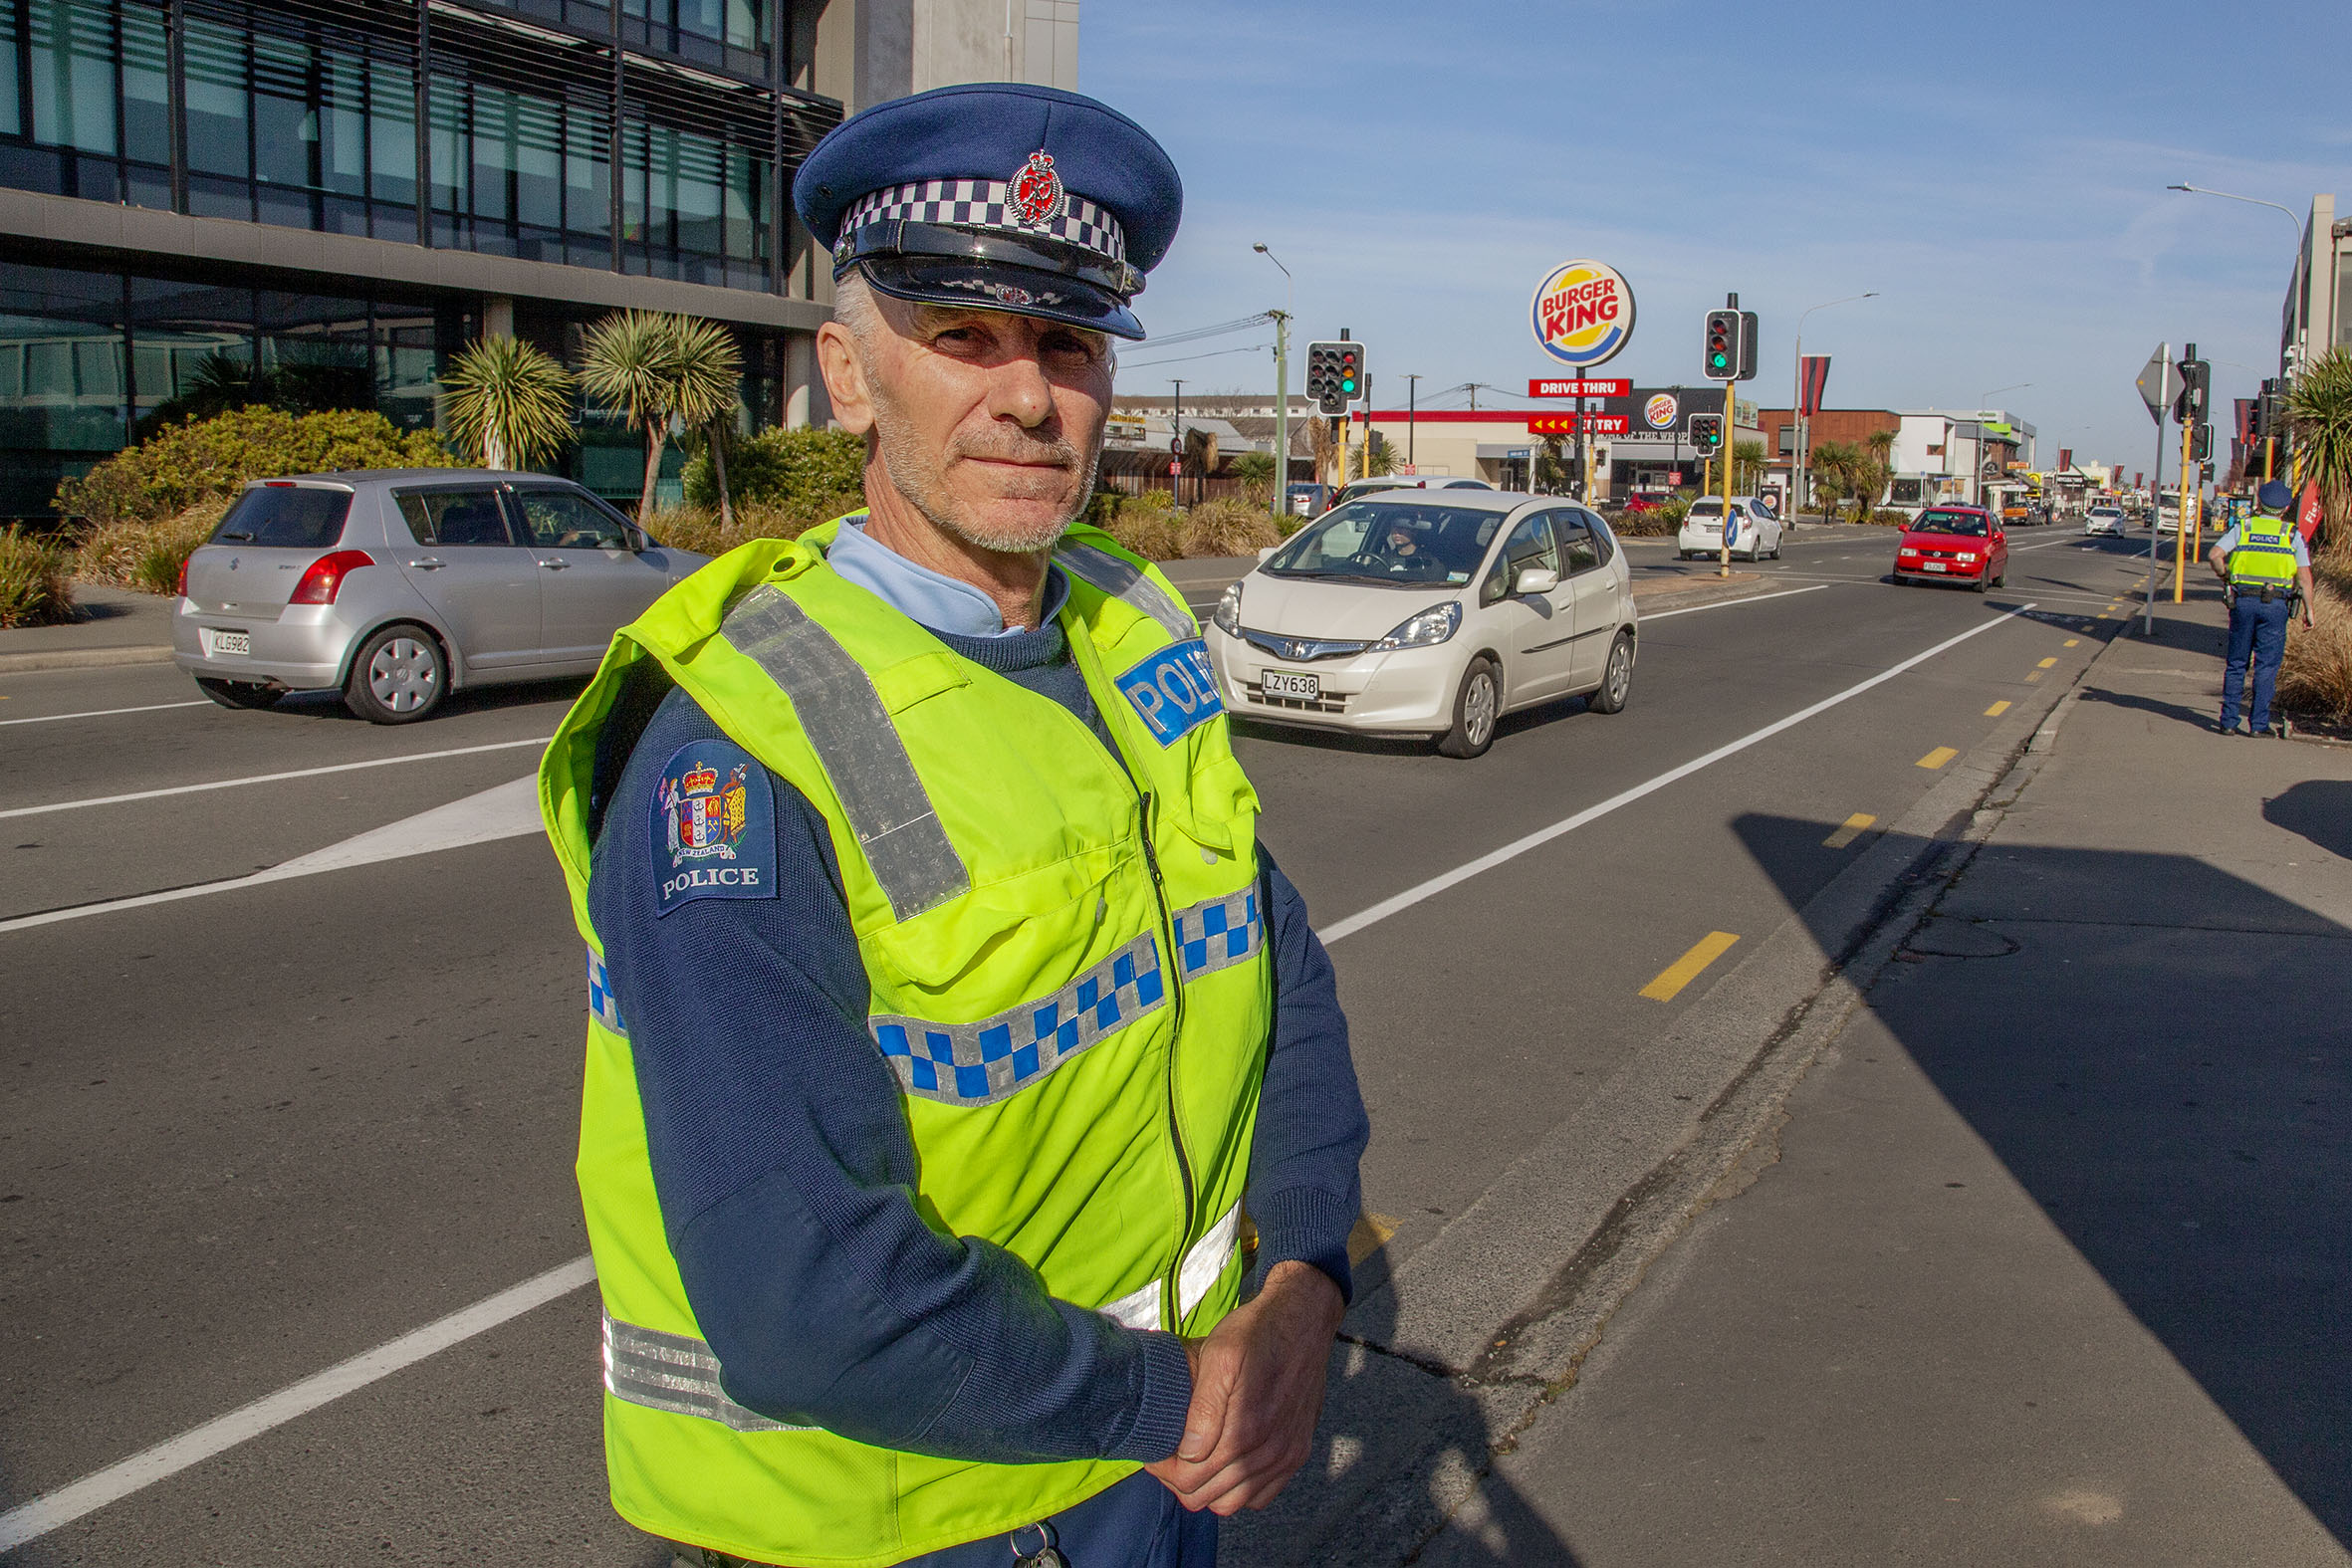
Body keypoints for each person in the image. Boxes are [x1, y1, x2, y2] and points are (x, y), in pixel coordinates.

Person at [536, 84, 1368, 1568]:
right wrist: (1183, 1391)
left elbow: (1269, 947)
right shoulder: (738, 748)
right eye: (961, 337)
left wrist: (1302, 1269)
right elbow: (804, 1290)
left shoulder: (1125, 618)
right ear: (848, 378)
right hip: (915, 1521)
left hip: (1150, 1475)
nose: (1030, 394)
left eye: (1064, 339)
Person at [2207, 478, 2318, 737]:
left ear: (2259, 503)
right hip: (2275, 605)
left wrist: (2225, 576)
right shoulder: (2291, 534)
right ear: (2286, 507)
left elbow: (2214, 555)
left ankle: (2228, 722)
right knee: (2266, 666)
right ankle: (2258, 725)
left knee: (2236, 663)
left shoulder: (2244, 527)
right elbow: (2304, 578)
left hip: (2243, 602)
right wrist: (2309, 610)